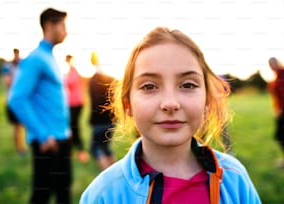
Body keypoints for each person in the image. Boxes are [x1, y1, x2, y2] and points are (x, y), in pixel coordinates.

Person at [80, 27, 261, 203]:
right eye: (149, 86)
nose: (170, 103)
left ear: (206, 100)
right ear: (128, 104)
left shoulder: (235, 178)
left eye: (188, 85)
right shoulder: (103, 195)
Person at [8, 8, 72, 204]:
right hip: (48, 142)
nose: (65, 31)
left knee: (63, 191)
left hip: (61, 137)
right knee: (42, 195)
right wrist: (43, 134)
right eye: (63, 25)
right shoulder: (36, 58)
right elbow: (17, 99)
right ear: (49, 25)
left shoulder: (50, 57)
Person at [88, 51, 116, 170]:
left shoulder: (93, 81)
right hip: (112, 119)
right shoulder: (111, 79)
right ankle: (115, 173)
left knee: (95, 148)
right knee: (105, 147)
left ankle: (107, 174)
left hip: (100, 121)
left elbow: (93, 103)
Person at [0, 48, 27, 155]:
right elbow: (7, 82)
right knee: (17, 127)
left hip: (23, 101)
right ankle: (19, 149)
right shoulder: (8, 67)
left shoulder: (22, 65)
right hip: (12, 101)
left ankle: (23, 146)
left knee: (24, 125)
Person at [64, 54, 89, 163]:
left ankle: (81, 150)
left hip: (76, 103)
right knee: (71, 126)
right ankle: (75, 149)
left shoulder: (74, 72)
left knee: (74, 126)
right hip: (70, 103)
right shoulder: (69, 72)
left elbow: (69, 83)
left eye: (68, 60)